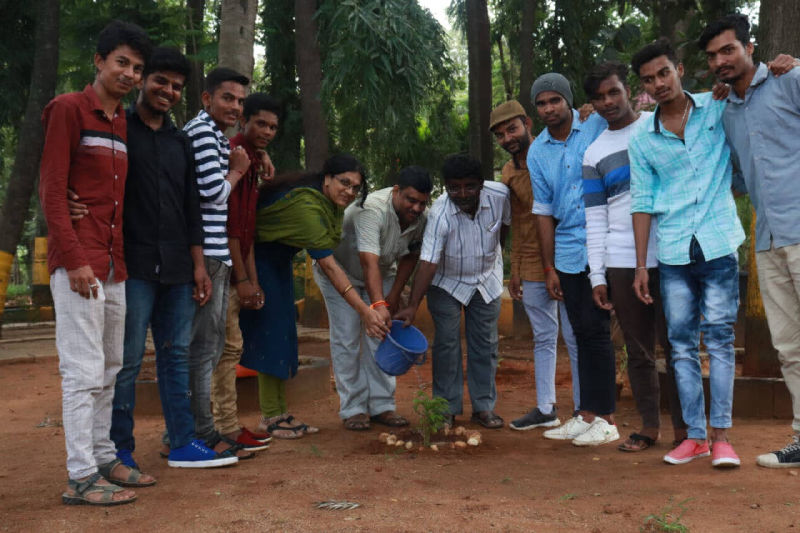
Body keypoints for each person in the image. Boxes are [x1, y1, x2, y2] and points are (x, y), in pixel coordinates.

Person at [69, 48, 240, 470]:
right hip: (133, 265)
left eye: (176, 86)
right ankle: (119, 449)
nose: (168, 91)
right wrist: (72, 199)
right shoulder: (119, 130)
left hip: (179, 268)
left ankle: (182, 443)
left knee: (175, 355)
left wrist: (199, 266)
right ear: (143, 81)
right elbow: (93, 179)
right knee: (126, 360)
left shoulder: (179, 141)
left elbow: (192, 207)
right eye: (160, 81)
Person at [39, 20, 151, 506]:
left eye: (138, 68)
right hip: (78, 264)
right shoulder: (68, 109)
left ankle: (105, 458)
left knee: (111, 366)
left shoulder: (122, 121)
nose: (130, 74)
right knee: (82, 370)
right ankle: (81, 475)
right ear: (99, 61)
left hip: (113, 264)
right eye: (122, 62)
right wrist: (74, 259)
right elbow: (52, 190)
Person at [628, 38, 745, 467]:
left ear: (678, 69)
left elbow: (751, 89)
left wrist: (783, 64)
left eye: (664, 73)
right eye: (648, 80)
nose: (659, 83)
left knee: (720, 340)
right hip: (674, 250)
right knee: (680, 345)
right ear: (642, 87)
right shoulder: (643, 138)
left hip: (717, 244)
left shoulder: (716, 107)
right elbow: (642, 201)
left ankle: (722, 437)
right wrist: (641, 265)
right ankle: (695, 437)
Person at [699, 14, 800, 468]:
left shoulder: (789, 79)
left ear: (749, 48)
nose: (721, 61)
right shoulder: (725, 111)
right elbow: (737, 176)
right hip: (767, 239)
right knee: (790, 347)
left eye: (729, 50)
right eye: (713, 56)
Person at [239, 155, 389, 438]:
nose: (350, 191)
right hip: (257, 263)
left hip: (278, 262)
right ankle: (270, 416)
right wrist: (364, 310)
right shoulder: (308, 206)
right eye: (344, 182)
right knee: (271, 335)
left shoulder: (327, 203)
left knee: (284, 334)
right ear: (327, 178)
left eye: (356, 187)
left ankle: (279, 413)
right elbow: (329, 266)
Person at [580, 61, 686, 452]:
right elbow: (595, 219)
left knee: (678, 347)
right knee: (638, 351)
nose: (608, 102)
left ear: (628, 90)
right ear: (592, 104)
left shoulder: (658, 126)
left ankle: (687, 430)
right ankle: (649, 427)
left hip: (672, 253)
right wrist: (597, 275)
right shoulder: (594, 153)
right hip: (622, 260)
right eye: (599, 97)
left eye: (614, 92)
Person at [528, 73, 620, 446]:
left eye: (555, 100)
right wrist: (549, 267)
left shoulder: (595, 124)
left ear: (568, 100)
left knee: (598, 331)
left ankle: (608, 419)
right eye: (541, 103)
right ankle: (587, 414)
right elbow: (543, 212)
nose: (549, 108)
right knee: (581, 333)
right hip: (567, 251)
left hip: (605, 242)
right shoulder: (537, 151)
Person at [395, 154, 511, 429]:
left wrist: (496, 254)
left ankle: (484, 407)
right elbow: (428, 262)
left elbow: (505, 225)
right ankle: (446, 409)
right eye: (454, 188)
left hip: (486, 280)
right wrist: (413, 306)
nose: (462, 194)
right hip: (446, 283)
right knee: (447, 345)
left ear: (481, 184)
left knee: (486, 345)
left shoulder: (500, 195)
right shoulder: (440, 213)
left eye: (469, 186)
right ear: (446, 187)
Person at [316, 166, 431, 431]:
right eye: (411, 200)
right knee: (347, 337)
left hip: (383, 271)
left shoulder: (421, 218)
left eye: (422, 203)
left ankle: (382, 406)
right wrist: (378, 305)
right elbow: (369, 262)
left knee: (381, 334)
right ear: (396, 191)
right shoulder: (371, 210)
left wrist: (393, 296)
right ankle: (353, 408)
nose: (416, 208)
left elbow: (411, 255)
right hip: (340, 272)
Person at [488, 100, 580, 431]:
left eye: (512, 129)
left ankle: (584, 410)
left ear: (528, 123)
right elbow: (517, 220)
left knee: (574, 335)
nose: (507, 138)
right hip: (530, 260)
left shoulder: (554, 152)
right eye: (500, 135)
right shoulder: (508, 171)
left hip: (568, 254)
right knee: (543, 336)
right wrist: (514, 269)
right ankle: (546, 408)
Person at [183, 67, 253, 458]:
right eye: (228, 98)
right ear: (207, 98)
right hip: (207, 255)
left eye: (240, 101)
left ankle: (202, 431)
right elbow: (213, 192)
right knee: (203, 348)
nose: (236, 107)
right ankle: (200, 433)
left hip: (216, 254)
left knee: (211, 346)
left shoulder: (215, 136)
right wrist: (238, 171)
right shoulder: (202, 132)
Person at [211, 92, 279, 451]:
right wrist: (243, 280)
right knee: (224, 348)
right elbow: (231, 229)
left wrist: (253, 281)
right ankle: (223, 427)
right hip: (219, 267)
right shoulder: (233, 156)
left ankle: (224, 424)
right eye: (260, 124)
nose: (266, 132)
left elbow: (248, 230)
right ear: (243, 121)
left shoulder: (252, 160)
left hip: (236, 266)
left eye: (272, 127)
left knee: (227, 347)